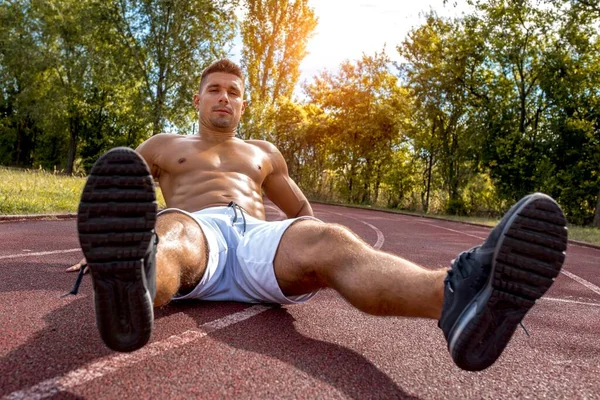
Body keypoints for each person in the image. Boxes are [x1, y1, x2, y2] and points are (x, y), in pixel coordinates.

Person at [67, 59, 568, 372]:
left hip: (260, 238)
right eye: (215, 89)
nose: (224, 97)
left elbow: (300, 209)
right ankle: (134, 281)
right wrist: (96, 250)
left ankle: (455, 300)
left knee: (331, 238)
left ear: (243, 105)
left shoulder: (264, 152)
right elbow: (117, 199)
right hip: (199, 233)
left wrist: (308, 231)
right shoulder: (162, 145)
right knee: (170, 232)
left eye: (234, 92)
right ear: (197, 98)